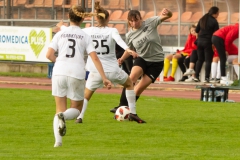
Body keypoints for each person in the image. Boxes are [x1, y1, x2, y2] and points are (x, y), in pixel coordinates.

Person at [46, 5, 112, 147]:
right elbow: (94, 58)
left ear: (69, 17)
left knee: (59, 109)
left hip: (59, 72)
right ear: (82, 18)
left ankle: (58, 142)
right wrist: (105, 78)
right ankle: (63, 117)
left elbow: (49, 55)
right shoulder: (85, 36)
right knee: (76, 110)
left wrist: (59, 62)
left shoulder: (59, 34)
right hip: (76, 72)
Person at [71, 1, 139, 123]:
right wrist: (128, 49)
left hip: (95, 71)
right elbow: (120, 42)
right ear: (108, 18)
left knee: (86, 95)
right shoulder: (112, 31)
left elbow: (75, 31)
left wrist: (63, 27)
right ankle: (133, 113)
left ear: (96, 18)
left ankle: (80, 117)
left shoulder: (88, 31)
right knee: (129, 84)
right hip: (113, 70)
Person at [110, 8, 173, 122]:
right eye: (132, 21)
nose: (134, 23)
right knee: (131, 78)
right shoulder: (129, 35)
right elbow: (128, 49)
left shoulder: (150, 22)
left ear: (141, 18)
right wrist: (122, 59)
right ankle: (121, 107)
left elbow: (168, 16)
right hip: (142, 58)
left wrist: (167, 13)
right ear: (129, 21)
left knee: (138, 90)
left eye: (137, 20)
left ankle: (129, 111)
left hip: (157, 62)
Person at [185, 6, 219, 83]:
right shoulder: (214, 21)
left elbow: (197, 30)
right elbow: (217, 33)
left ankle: (196, 76)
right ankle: (207, 77)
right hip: (208, 42)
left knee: (200, 59)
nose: (218, 15)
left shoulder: (202, 19)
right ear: (215, 13)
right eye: (218, 13)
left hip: (199, 42)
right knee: (208, 60)